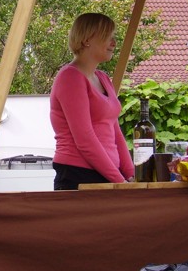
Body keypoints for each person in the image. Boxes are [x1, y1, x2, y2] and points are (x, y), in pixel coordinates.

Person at [50, 12, 134, 190]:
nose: (114, 43)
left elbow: (115, 132)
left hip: (107, 174)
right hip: (78, 175)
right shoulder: (70, 77)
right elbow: (84, 139)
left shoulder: (103, 78)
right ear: (87, 39)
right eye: (108, 37)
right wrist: (119, 181)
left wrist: (131, 174)